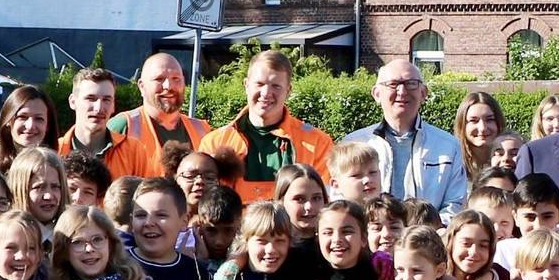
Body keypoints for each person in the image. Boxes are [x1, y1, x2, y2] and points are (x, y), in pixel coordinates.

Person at [198, 51, 336, 203]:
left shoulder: (317, 143)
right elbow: (204, 203)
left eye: (276, 86)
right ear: (246, 85)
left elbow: (323, 204)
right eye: (260, 84)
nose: (266, 93)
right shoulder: (214, 143)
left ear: (288, 91)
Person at [347, 59, 469, 213]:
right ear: (377, 94)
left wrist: (429, 232)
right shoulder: (355, 143)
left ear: (423, 93)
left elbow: (455, 205)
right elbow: (343, 200)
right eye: (393, 84)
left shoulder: (449, 147)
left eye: (411, 83)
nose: (402, 91)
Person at [94, 52, 207, 180]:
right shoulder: (123, 126)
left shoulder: (203, 130)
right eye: (159, 79)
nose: (168, 86)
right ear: (142, 86)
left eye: (176, 79)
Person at [57, 67, 127, 165]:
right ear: (73, 102)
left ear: (113, 106)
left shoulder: (134, 152)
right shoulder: (55, 152)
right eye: (91, 98)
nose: (98, 108)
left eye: (106, 100)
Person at [0, 85, 55, 170]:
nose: (30, 126)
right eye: (22, 117)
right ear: (8, 121)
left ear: (48, 125)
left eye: (39, 119)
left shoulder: (59, 173)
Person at [5, 147, 68, 226]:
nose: (48, 196)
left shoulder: (73, 235)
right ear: (19, 190)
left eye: (55, 187)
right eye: (39, 187)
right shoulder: (8, 236)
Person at [453, 91, 506, 175]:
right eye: (473, 121)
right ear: (462, 125)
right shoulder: (452, 163)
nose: (483, 128)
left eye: (489, 120)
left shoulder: (512, 162)